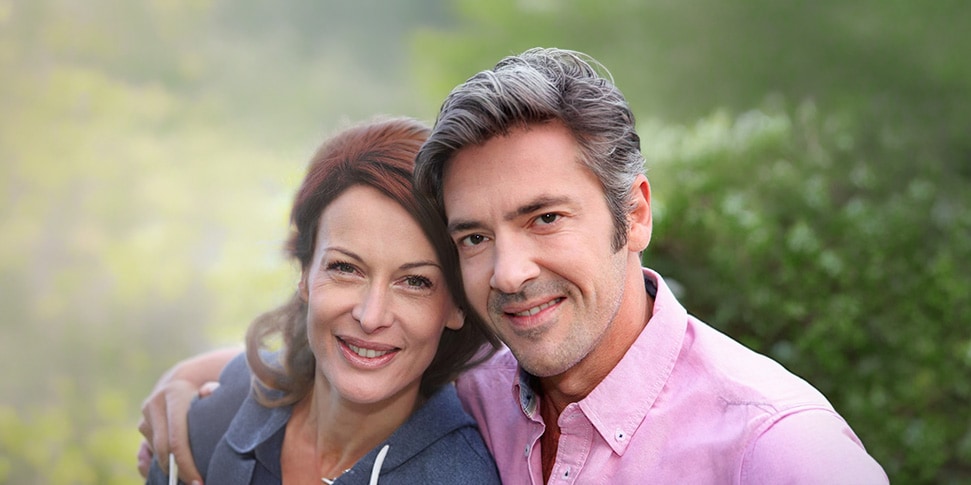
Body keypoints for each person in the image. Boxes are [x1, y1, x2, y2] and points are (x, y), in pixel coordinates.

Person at [140, 48, 889, 483]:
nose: (507, 271)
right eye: (473, 237)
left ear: (634, 213)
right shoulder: (490, 377)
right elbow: (352, 346)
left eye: (544, 218)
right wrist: (183, 383)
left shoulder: (779, 449)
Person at [143, 117, 501, 484]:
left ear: (457, 304)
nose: (371, 316)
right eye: (345, 268)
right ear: (305, 272)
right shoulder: (208, 419)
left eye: (415, 281)